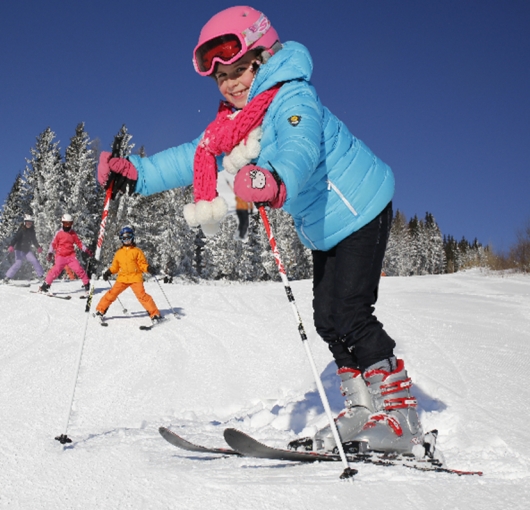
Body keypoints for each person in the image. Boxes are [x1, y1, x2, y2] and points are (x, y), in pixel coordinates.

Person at [96, 6, 423, 455]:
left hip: (359, 209)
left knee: (350, 313)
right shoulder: (232, 124)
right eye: (220, 78)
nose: (229, 83)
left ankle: (401, 417)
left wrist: (275, 176)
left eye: (237, 70)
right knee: (329, 319)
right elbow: (192, 156)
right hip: (325, 226)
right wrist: (137, 174)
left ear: (263, 59)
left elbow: (299, 145)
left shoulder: (292, 97)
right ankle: (363, 409)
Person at [96, 226, 162, 324]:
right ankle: (100, 311)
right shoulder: (119, 253)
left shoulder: (137, 251)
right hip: (122, 278)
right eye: (124, 238)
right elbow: (115, 267)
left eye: (129, 238)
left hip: (135, 278)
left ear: (132, 238)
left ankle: (154, 314)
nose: (127, 240)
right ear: (121, 239)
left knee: (142, 296)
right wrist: (108, 272)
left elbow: (142, 264)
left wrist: (148, 268)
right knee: (112, 293)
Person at [39, 214, 93, 294]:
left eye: (69, 224)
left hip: (71, 256)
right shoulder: (59, 233)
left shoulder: (73, 233)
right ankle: (46, 285)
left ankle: (87, 284)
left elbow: (79, 243)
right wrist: (50, 253)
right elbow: (53, 244)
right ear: (62, 223)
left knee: (78, 269)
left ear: (72, 224)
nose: (67, 226)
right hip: (60, 256)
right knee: (56, 270)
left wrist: (87, 250)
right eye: (65, 223)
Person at [2, 215, 44, 283]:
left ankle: (41, 276)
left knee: (35, 261)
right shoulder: (21, 230)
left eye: (30, 223)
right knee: (18, 263)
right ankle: (7, 277)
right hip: (19, 249)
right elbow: (15, 238)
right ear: (24, 222)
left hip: (27, 250)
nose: (28, 224)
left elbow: (34, 240)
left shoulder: (32, 231)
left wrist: (38, 247)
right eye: (27, 223)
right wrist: (11, 245)